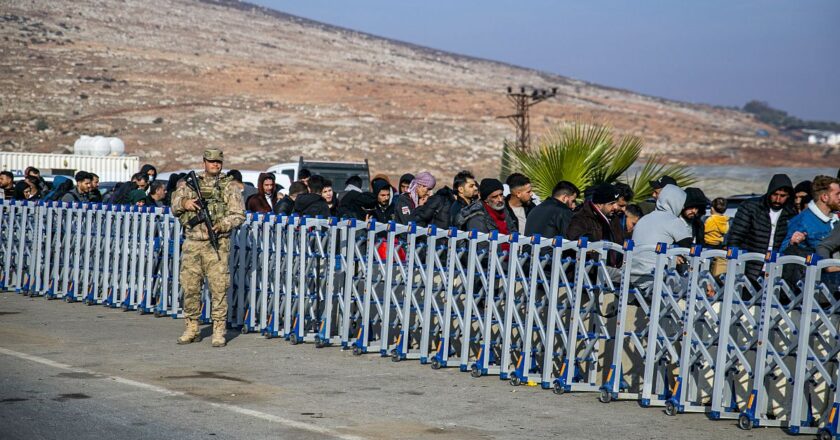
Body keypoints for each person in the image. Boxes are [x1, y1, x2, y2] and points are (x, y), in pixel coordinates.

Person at [171, 149, 245, 348]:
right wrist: (185, 203)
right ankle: (191, 327)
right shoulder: (189, 184)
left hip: (218, 245)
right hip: (193, 243)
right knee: (190, 287)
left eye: (218, 162)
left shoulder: (229, 186)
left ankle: (218, 330)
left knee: (219, 289)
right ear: (204, 162)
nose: (215, 165)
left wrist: (223, 224)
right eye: (211, 161)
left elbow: (239, 214)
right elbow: (174, 205)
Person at [726, 174, 796, 283]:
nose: (778, 199)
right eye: (775, 194)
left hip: (776, 270)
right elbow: (735, 237)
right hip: (748, 268)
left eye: (782, 196)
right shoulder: (751, 207)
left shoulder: (791, 213)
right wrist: (736, 265)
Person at [630, 184, 692, 283]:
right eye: (682, 203)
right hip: (656, 278)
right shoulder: (674, 221)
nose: (683, 207)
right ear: (676, 202)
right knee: (697, 285)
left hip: (632, 274)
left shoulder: (644, 219)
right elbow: (690, 252)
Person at [781, 175, 840, 254]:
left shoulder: (836, 220)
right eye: (837, 194)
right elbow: (782, 253)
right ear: (825, 197)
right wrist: (791, 243)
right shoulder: (801, 222)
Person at [455, 178, 516, 243]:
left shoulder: (504, 211)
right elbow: (482, 246)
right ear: (486, 200)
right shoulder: (477, 217)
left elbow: (513, 232)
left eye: (501, 195)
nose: (500, 199)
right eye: (495, 197)